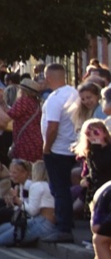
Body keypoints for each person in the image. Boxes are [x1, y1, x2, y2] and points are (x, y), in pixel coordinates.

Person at [41, 63, 81, 239]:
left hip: (58, 150)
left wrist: (46, 147)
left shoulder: (54, 99)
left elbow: (52, 127)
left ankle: (63, 228)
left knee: (59, 189)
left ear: (48, 78)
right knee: (67, 188)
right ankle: (67, 221)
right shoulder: (74, 93)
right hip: (73, 147)